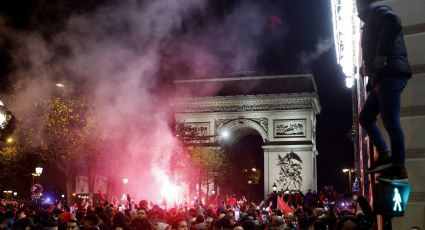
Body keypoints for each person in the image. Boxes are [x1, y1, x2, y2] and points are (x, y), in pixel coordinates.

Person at [357, 0, 412, 182]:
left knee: (391, 121)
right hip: (381, 78)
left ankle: (398, 166)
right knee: (365, 117)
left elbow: (393, 21)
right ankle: (385, 154)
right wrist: (369, 69)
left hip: (391, 74)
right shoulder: (371, 19)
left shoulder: (378, 10)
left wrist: (381, 54)